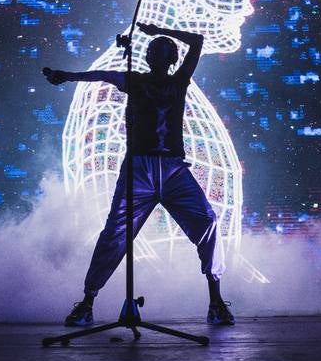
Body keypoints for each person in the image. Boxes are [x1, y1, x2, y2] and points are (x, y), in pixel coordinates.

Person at [43, 20, 235, 327]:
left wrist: (157, 30)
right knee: (114, 234)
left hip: (173, 168)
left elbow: (197, 41)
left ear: (171, 60)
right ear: (147, 58)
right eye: (154, 51)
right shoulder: (135, 80)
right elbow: (101, 76)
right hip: (140, 169)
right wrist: (66, 76)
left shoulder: (179, 81)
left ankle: (215, 301)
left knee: (208, 222)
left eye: (164, 51)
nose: (159, 55)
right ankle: (87, 301)